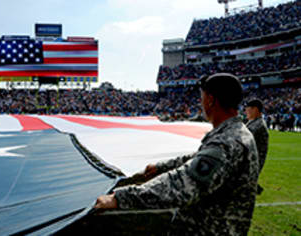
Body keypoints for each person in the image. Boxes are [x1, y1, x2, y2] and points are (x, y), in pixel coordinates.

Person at [95, 73, 259, 235]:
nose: (201, 103)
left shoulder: (227, 141)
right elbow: (195, 159)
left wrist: (121, 198)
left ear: (210, 100)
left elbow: (183, 184)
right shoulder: (234, 133)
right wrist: (159, 168)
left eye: (202, 98)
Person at [245, 99, 269, 194]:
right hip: (249, 160)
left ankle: (254, 186)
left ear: (255, 109)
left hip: (253, 161)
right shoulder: (252, 122)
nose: (246, 112)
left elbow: (244, 139)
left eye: (248, 109)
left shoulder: (259, 125)